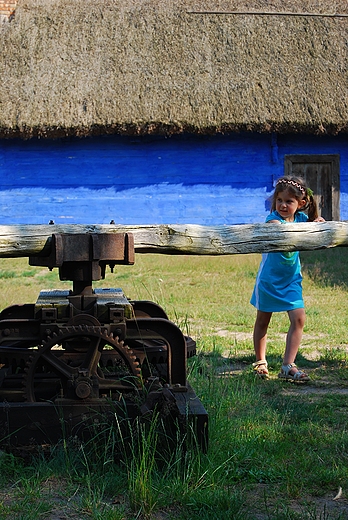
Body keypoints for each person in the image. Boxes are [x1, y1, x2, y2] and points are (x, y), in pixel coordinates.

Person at [250, 176, 325, 381]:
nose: (283, 205)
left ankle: (287, 366)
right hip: (269, 280)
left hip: (292, 280)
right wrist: (277, 224)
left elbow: (313, 228)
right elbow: (274, 225)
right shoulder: (272, 219)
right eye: (280, 200)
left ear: (300, 204)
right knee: (263, 320)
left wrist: (317, 224)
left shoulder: (301, 220)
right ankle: (260, 362)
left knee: (299, 318)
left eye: (289, 201)